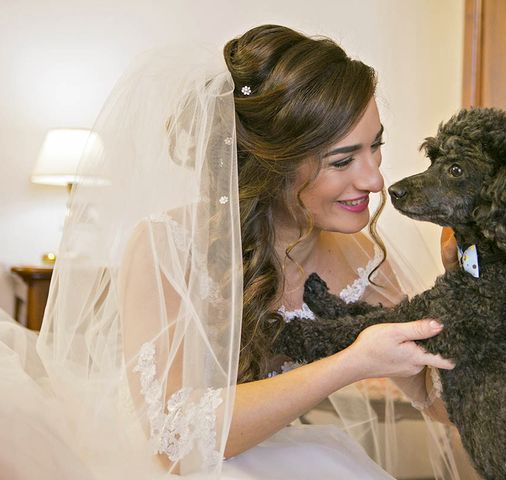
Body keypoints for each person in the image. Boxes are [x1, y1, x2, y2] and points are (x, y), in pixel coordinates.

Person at [0, 25, 467, 479]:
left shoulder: (361, 259)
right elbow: (175, 443)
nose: (375, 180)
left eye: (376, 147)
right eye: (343, 160)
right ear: (273, 163)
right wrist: (351, 363)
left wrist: (461, 295)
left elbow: (445, 404)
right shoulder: (168, 246)